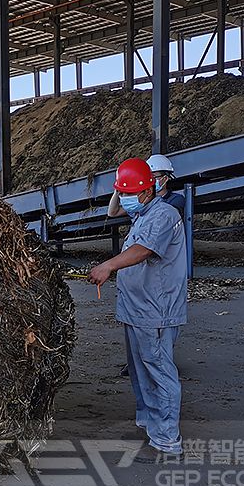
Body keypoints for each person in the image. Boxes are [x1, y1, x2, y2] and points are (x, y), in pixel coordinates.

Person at [89, 157, 188, 462]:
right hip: (137, 308)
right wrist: (119, 190)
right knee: (140, 368)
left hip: (155, 309)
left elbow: (143, 250)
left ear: (149, 190)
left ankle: (168, 439)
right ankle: (150, 423)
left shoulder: (163, 214)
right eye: (123, 192)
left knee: (158, 369)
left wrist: (108, 265)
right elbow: (117, 210)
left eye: (131, 193)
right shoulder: (143, 214)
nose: (126, 199)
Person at [107, 154, 185, 218]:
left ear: (165, 179)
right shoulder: (142, 200)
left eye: (153, 177)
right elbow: (113, 212)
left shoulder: (175, 200)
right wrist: (118, 190)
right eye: (148, 177)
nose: (151, 180)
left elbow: (163, 218)